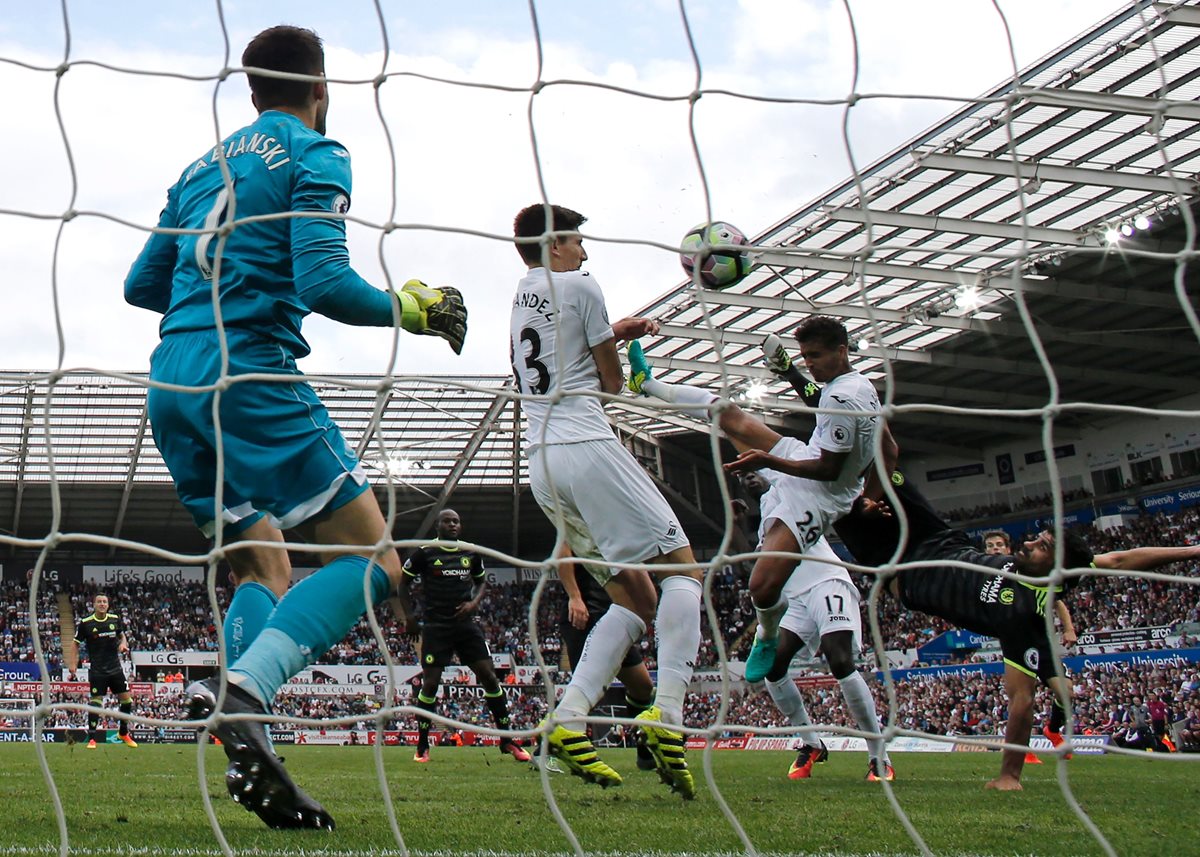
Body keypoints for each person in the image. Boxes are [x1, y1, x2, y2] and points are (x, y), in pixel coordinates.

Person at [123, 25, 467, 830]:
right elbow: (324, 282)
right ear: (323, 87)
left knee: (261, 567)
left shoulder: (198, 167)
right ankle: (247, 690)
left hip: (171, 382)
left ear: (250, 92)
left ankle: (245, 718)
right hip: (250, 375)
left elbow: (143, 286)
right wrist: (409, 308)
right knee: (375, 561)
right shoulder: (319, 151)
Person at [832, 476, 1200, 790]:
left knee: (835, 502)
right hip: (939, 537)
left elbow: (1021, 700)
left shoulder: (1022, 614)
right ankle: (834, 402)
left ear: (1054, 564)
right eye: (1037, 539)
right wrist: (1193, 550)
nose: (1027, 543)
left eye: (1041, 546)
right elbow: (1121, 559)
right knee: (887, 462)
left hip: (901, 571)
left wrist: (1010, 774)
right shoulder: (1052, 571)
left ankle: (1057, 727)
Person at [510, 203, 703, 799]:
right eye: (576, 242)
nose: (585, 253)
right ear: (555, 245)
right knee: (685, 574)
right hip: (588, 444)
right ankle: (668, 714)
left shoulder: (520, 296)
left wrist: (610, 332)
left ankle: (568, 719)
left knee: (636, 599)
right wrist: (614, 342)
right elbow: (613, 385)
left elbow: (549, 365)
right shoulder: (582, 284)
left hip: (541, 459)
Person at [627, 317, 895, 699]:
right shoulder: (860, 387)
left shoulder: (842, 396)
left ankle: (767, 636)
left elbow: (829, 469)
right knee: (726, 413)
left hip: (818, 497)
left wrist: (768, 461)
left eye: (815, 356)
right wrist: (870, 497)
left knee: (761, 588)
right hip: (811, 459)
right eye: (805, 357)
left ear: (841, 351)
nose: (811, 364)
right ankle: (647, 383)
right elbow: (889, 451)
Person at [736, 471, 894, 782]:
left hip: (826, 582)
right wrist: (738, 520)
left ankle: (879, 755)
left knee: (839, 659)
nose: (749, 478)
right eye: (743, 476)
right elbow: (752, 568)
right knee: (774, 666)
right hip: (794, 597)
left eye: (754, 472)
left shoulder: (787, 490)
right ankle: (811, 743)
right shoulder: (763, 526)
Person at [394, 508, 531, 764]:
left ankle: (507, 739)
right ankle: (423, 744)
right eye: (447, 521)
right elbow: (403, 584)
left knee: (489, 677)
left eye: (456, 521)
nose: (452, 525)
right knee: (430, 684)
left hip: (467, 626)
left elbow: (481, 582)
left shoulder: (470, 551)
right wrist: (409, 618)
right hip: (436, 627)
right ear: (438, 526)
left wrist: (473, 603)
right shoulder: (424, 553)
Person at [556, 550, 657, 772]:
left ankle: (643, 748)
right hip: (585, 613)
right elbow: (563, 556)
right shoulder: (580, 519)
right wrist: (575, 597)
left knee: (642, 687)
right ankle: (546, 751)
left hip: (614, 616)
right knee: (584, 691)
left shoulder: (616, 531)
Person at [68, 594, 137, 749]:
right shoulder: (86, 623)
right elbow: (75, 644)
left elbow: (122, 635)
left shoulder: (114, 619)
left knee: (127, 700)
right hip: (98, 670)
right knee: (96, 702)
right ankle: (92, 738)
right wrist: (73, 663)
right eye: (99, 601)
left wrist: (123, 644)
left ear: (108, 604)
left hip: (115, 668)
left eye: (104, 601)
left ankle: (123, 733)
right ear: (94, 604)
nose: (102, 604)